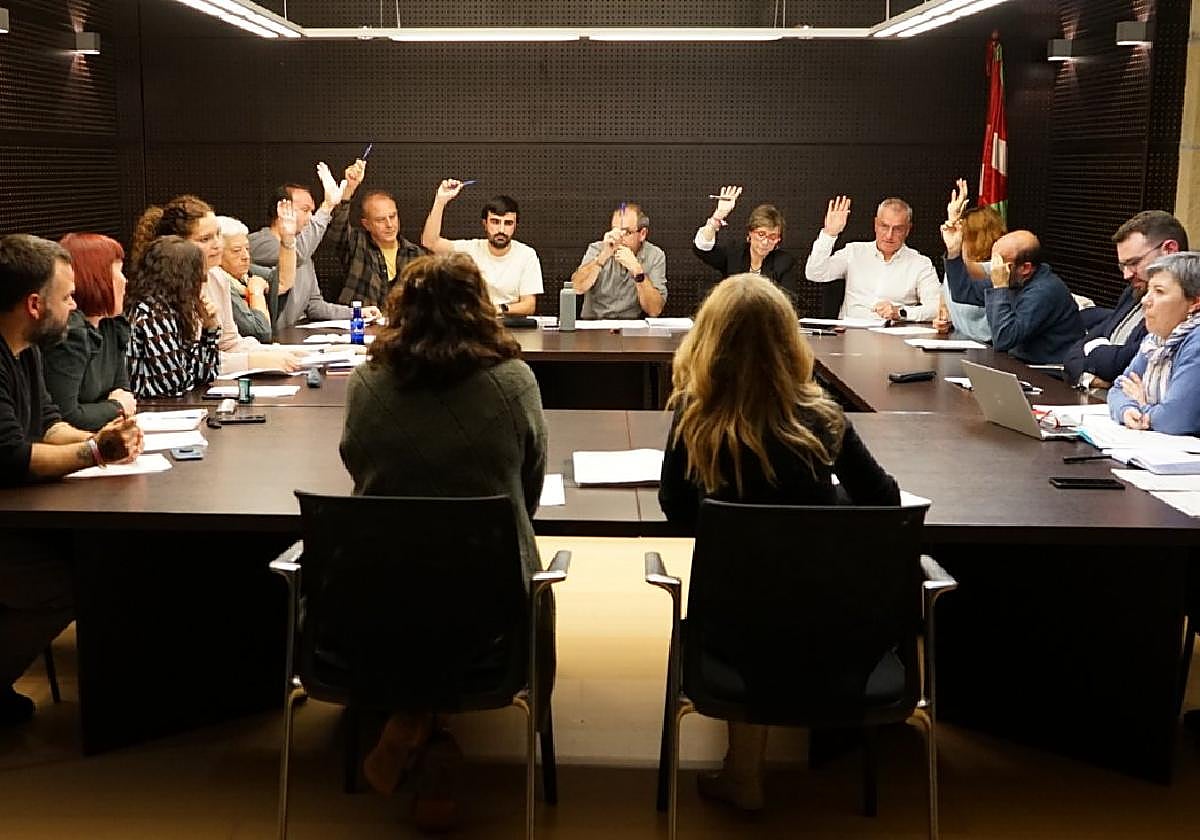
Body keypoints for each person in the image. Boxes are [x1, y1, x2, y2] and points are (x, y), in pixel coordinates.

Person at [657, 272, 900, 810]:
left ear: (708, 339)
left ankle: (743, 774)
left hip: (731, 628)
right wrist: (828, 505)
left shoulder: (695, 414)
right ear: (789, 341)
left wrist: (735, 522)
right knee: (786, 598)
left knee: (755, 597)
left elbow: (676, 508)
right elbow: (883, 501)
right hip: (833, 625)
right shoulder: (822, 414)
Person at [340, 252, 547, 830]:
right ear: (480, 307)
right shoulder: (514, 382)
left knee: (419, 579)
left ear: (401, 309)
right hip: (493, 606)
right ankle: (431, 734)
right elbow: (529, 484)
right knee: (456, 580)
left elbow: (357, 465)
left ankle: (417, 720)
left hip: (380, 599)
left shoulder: (366, 382)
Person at [0, 234, 141, 726]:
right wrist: (94, 452)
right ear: (34, 305)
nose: (74, 306)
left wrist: (101, 437)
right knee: (76, 578)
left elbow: (50, 424)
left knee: (98, 561)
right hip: (8, 528)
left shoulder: (27, 349)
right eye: (67, 297)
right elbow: (12, 457)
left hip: (19, 514)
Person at [133, 195, 302, 372]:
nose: (217, 245)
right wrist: (253, 361)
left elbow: (229, 343)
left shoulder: (217, 277)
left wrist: (281, 352)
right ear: (177, 244)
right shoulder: (164, 289)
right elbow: (189, 362)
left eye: (218, 235)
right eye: (205, 239)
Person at [1065, 211, 1189, 389]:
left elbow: (1125, 363)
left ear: (1169, 250)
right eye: (1122, 266)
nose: (1126, 275)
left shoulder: (1182, 305)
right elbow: (1073, 354)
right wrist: (1089, 378)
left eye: (1134, 263)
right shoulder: (1132, 293)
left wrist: (1097, 354)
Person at [249, 162, 380, 328]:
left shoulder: (305, 249)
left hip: (291, 335)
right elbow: (297, 254)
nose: (310, 217)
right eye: (305, 210)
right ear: (281, 208)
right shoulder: (257, 243)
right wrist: (327, 206)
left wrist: (357, 313)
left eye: (312, 211)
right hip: (266, 338)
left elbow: (315, 306)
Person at [942, 225, 1083, 364]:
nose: (994, 268)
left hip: (1049, 369)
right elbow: (963, 293)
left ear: (1025, 268)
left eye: (1000, 262)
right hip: (1020, 363)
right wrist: (954, 252)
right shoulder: (1015, 279)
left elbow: (1004, 339)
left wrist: (999, 288)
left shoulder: (1044, 290)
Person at [42, 233, 137, 431]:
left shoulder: (111, 325)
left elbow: (124, 393)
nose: (125, 281)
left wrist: (116, 406)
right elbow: (66, 416)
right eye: (118, 272)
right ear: (95, 278)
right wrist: (116, 407)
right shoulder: (69, 333)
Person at [805, 195, 940, 321]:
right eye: (884, 226)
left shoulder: (920, 264)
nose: (889, 235)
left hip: (893, 332)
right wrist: (829, 234)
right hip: (851, 332)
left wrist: (900, 312)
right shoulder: (853, 252)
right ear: (875, 224)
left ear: (908, 230)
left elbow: (937, 308)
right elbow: (815, 273)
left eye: (897, 229)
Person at [420, 180, 543, 315]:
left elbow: (529, 306)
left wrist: (497, 309)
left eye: (508, 223)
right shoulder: (470, 250)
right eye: (495, 222)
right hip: (475, 323)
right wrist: (440, 201)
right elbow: (430, 242)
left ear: (515, 226)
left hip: (510, 322)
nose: (501, 230)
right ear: (485, 223)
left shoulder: (526, 255)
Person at [1109, 252, 1200, 434]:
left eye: (1159, 292)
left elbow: (1175, 420)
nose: (1145, 300)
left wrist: (1143, 406)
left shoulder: (1196, 341)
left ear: (1194, 303)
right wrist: (1127, 410)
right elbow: (1118, 389)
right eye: (1148, 290)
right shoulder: (1156, 339)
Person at [125, 236, 222, 398]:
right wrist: (190, 374)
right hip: (147, 407)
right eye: (199, 278)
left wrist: (210, 329)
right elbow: (173, 383)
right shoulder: (153, 314)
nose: (202, 283)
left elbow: (205, 374)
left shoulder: (171, 310)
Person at [332, 158, 424, 307]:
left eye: (392, 216)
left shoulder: (415, 254)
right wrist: (349, 188)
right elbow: (337, 226)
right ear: (366, 224)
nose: (389, 225)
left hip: (401, 320)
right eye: (380, 220)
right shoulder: (356, 243)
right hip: (361, 319)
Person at [692, 185, 798, 301]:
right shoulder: (734, 254)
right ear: (750, 233)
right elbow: (702, 249)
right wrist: (717, 217)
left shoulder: (784, 262)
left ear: (778, 239)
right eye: (761, 234)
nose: (765, 242)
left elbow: (788, 301)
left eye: (772, 236)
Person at [214, 209, 299, 343]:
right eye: (236, 251)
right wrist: (256, 292)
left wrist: (288, 240)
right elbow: (261, 333)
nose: (245, 256)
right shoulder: (218, 281)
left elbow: (283, 282)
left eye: (247, 249)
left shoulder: (246, 274)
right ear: (217, 254)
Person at [570, 202, 666, 319]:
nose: (619, 238)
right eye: (615, 231)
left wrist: (637, 271)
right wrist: (602, 257)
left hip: (631, 325)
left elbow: (654, 310)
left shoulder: (655, 255)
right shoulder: (598, 249)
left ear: (642, 234)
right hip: (595, 323)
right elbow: (577, 288)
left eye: (627, 233)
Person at [935, 179, 1004, 341]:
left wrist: (952, 222)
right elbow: (947, 309)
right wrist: (944, 321)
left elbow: (970, 272)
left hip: (991, 349)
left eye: (961, 232)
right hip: (959, 345)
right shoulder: (953, 269)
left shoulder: (998, 269)